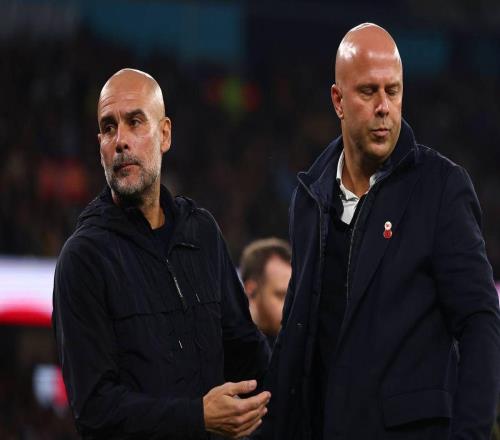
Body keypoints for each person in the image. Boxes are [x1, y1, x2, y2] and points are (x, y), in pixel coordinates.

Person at [259, 23, 500, 439]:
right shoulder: (310, 198)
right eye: (369, 92)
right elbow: (298, 335)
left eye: (393, 91)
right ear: (338, 100)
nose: (384, 107)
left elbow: (479, 322)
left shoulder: (440, 188)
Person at [52, 68, 271, 439]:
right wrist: (196, 417)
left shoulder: (202, 233)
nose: (120, 141)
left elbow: (246, 352)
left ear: (165, 134)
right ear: (100, 145)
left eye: (135, 122)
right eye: (108, 128)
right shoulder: (83, 259)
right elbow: (94, 411)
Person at [239, 238, 292, 347]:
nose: (291, 308)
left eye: (292, 298)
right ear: (251, 291)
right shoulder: (224, 348)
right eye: (281, 296)